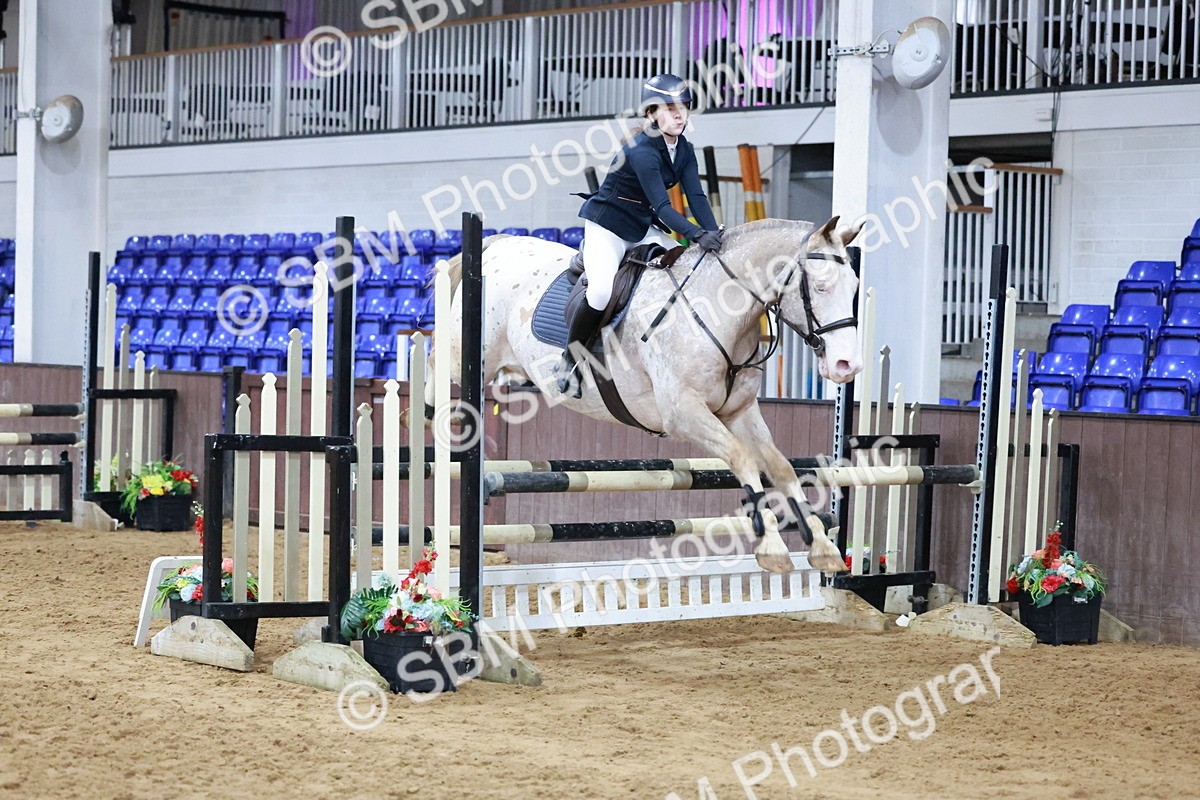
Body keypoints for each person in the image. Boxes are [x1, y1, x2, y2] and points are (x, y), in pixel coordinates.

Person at [555, 73, 724, 398]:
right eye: (669, 108)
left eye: (684, 107)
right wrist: (697, 234)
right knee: (601, 292)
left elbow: (696, 198)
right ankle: (569, 362)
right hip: (608, 228)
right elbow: (663, 207)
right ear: (650, 114)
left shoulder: (684, 149)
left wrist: (714, 234)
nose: (679, 115)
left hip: (641, 228)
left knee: (685, 267)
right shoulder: (642, 151)